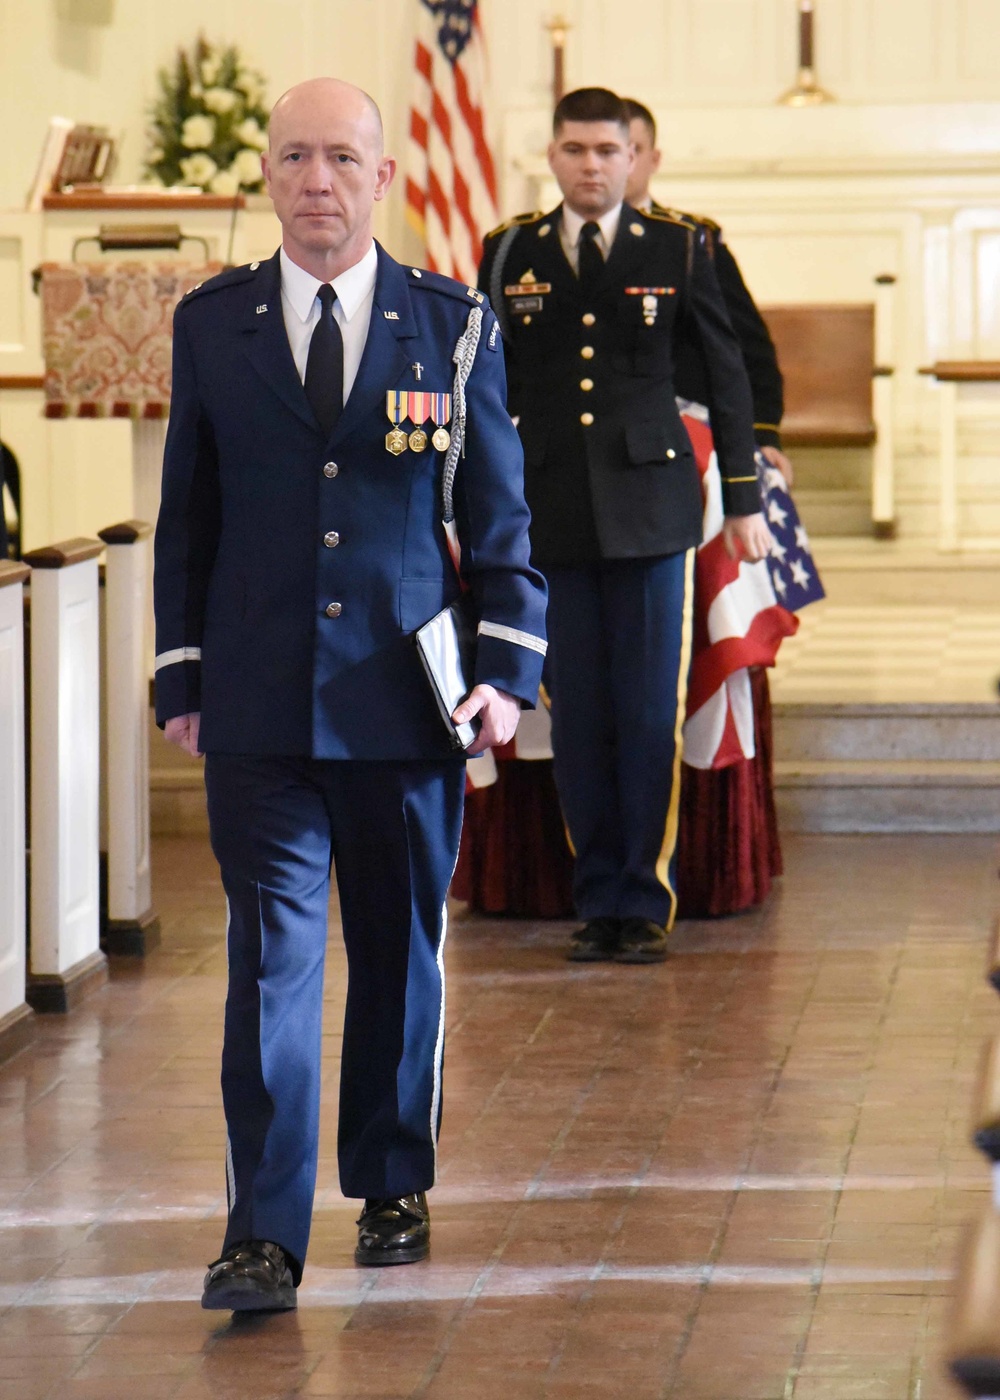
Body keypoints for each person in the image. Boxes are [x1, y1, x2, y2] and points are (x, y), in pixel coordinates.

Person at [154, 77, 547, 1311]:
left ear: (383, 180)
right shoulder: (214, 323)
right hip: (260, 704)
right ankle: (260, 1233)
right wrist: (182, 671)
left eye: (340, 158)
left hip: (402, 698)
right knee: (269, 962)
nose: (315, 179)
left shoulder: (454, 322)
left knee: (398, 950)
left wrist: (504, 675)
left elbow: (499, 519)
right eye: (293, 158)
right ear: (265, 178)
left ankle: (390, 1177)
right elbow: (189, 517)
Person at [477, 87, 769, 966]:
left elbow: (728, 374)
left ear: (631, 157)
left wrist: (746, 498)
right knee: (578, 711)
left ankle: (640, 899)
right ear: (553, 157)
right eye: (575, 150)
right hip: (548, 514)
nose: (592, 165)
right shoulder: (509, 251)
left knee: (644, 713)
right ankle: (594, 894)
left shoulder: (678, 245)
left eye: (607, 150)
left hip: (651, 512)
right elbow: (483, 382)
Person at [623, 97, 794, 918]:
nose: (609, 167)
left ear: (648, 159)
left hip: (689, 460)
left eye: (627, 151)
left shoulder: (692, 242)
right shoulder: (528, 248)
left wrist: (753, 446)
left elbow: (745, 354)